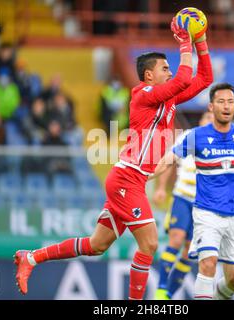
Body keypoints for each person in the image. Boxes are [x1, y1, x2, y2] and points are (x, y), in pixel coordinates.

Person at [14, 17, 213, 299]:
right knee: (150, 244)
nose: (170, 72)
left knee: (96, 245)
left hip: (132, 180)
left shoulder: (167, 100)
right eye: (164, 68)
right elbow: (183, 78)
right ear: (148, 76)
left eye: (169, 68)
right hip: (126, 180)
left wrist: (201, 39)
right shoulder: (142, 95)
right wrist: (184, 40)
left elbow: (205, 79)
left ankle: (31, 258)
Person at [152, 83, 234, 300]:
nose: (227, 106)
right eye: (221, 101)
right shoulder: (195, 136)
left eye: (230, 102)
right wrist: (146, 176)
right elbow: (168, 159)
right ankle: (163, 290)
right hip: (204, 210)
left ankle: (214, 296)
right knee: (206, 263)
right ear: (211, 107)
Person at [153, 111, 214, 300]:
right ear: (201, 121)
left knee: (189, 252)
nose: (211, 121)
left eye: (214, 118)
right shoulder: (189, 137)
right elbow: (170, 160)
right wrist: (161, 187)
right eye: (207, 117)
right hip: (182, 198)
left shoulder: (222, 144)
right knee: (176, 240)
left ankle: (169, 294)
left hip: (203, 205)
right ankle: (161, 288)